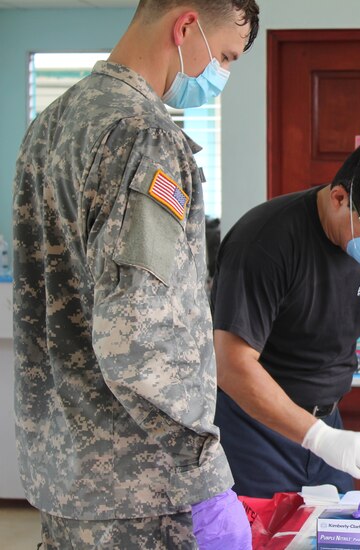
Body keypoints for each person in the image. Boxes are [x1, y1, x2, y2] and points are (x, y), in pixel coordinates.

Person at [13, 1, 259, 548]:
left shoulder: (50, 126)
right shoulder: (146, 138)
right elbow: (141, 339)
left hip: (65, 471)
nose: (221, 74)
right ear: (185, 25)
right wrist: (205, 472)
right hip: (140, 487)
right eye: (223, 55)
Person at [211, 137, 360, 497]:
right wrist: (316, 437)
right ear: (340, 198)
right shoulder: (266, 242)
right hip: (253, 429)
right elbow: (232, 363)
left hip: (328, 425)